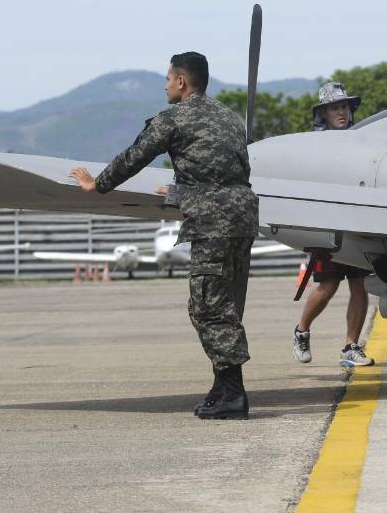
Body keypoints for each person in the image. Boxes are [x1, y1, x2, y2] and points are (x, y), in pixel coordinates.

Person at [69, 52, 258, 420]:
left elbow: (134, 156)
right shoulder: (229, 118)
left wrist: (97, 185)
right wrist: (179, 192)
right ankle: (221, 389)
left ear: (182, 81)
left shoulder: (174, 118)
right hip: (243, 216)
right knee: (226, 304)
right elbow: (229, 172)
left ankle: (234, 395)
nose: (166, 85)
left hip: (212, 222)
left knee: (207, 307)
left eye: (168, 79)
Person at [292, 82, 375, 367]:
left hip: (357, 224)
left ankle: (351, 347)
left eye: (343, 107)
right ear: (323, 114)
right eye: (334, 108)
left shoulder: (361, 139)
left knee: (358, 285)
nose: (340, 112)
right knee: (327, 286)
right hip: (328, 227)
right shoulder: (314, 145)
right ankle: (302, 330)